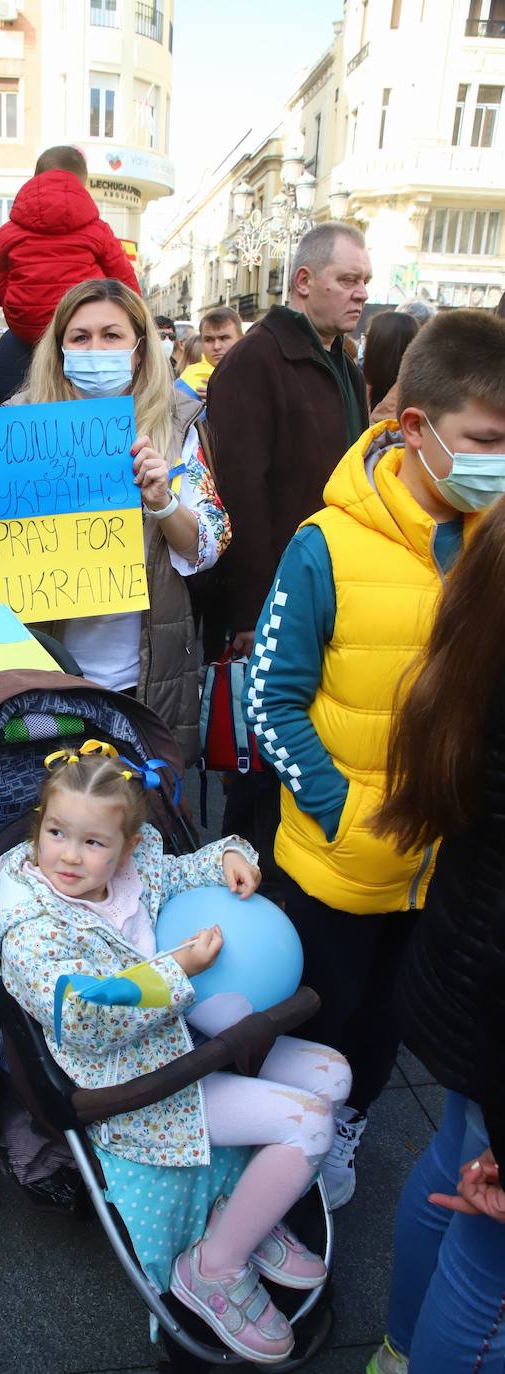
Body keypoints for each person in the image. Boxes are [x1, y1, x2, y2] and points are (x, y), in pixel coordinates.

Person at [243, 308, 505, 1210]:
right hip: (339, 858)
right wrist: (338, 811)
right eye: (488, 440)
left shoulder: (492, 545)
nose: (497, 464)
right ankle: (282, 1142)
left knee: (394, 1014)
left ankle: (341, 1130)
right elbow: (269, 700)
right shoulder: (327, 546)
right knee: (321, 1010)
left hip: (449, 867)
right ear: (416, 429)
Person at [0, 746, 351, 1365]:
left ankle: (244, 1218)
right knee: (310, 1124)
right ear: (38, 826)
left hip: (192, 1040)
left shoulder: (137, 869)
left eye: (94, 843)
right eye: (56, 833)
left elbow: (185, 872)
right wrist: (178, 967)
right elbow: (83, 1015)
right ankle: (213, 1269)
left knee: (334, 1073)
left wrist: (231, 856)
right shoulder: (29, 917)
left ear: (125, 848)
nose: (70, 855)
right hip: (136, 1085)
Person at [0, 277, 231, 765]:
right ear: (59, 348)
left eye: (111, 335)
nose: (96, 348)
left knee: (131, 811)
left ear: (139, 347)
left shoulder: (179, 422)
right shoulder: (20, 426)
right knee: (55, 808)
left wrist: (163, 503)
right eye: (80, 337)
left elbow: (208, 544)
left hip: (141, 669)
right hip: (47, 665)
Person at [365, 496, 505, 1374]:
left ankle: (397, 1351)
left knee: (454, 1161)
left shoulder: (479, 621)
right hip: (488, 1002)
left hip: (466, 990)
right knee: (491, 1273)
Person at [206, 221, 370, 889]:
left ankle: (290, 884)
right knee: (255, 766)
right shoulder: (254, 362)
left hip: (333, 592)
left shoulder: (342, 360)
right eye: (348, 280)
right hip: (272, 605)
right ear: (304, 283)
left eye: (365, 280)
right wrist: (252, 615)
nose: (362, 292)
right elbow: (242, 497)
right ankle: (243, 895)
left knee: (298, 751)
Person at [0, 145, 140, 407]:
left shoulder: (10, 231)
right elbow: (127, 288)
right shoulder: (98, 230)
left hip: (25, 336)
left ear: (35, 178)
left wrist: (20, 302)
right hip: (83, 340)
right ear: (81, 181)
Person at [363, 310, 419, 422]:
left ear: (381, 344)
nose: (364, 344)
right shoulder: (359, 386)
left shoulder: (417, 403)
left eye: (367, 337)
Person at [178, 307, 243, 403]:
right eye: (209, 340)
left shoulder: (258, 374)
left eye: (224, 338)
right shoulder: (188, 382)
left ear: (241, 338)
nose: (216, 347)